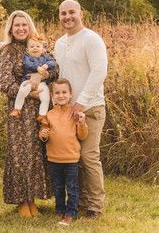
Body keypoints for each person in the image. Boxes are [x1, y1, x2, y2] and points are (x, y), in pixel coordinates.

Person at [0, 10, 58, 217]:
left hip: (41, 109)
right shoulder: (7, 51)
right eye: (17, 25)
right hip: (19, 109)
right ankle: (23, 200)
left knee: (38, 152)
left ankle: (35, 199)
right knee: (20, 153)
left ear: (30, 26)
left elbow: (55, 69)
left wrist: (46, 75)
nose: (21, 28)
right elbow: (3, 81)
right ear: (11, 29)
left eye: (24, 24)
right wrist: (29, 93)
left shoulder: (40, 47)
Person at [54, 0, 107, 219]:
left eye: (71, 12)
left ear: (81, 13)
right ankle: (81, 200)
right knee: (73, 157)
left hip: (91, 108)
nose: (68, 17)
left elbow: (99, 72)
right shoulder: (59, 43)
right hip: (66, 112)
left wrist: (81, 102)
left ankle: (95, 205)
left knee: (88, 156)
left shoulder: (91, 39)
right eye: (63, 13)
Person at [39, 78, 88, 226]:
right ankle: (60, 209)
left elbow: (82, 135)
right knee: (58, 187)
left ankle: (70, 213)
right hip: (54, 159)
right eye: (57, 93)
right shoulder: (49, 114)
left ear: (70, 94)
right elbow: (43, 132)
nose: (61, 95)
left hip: (71, 159)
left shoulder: (74, 113)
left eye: (64, 92)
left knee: (72, 187)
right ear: (52, 96)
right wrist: (43, 135)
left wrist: (81, 122)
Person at [10, 34, 57, 122]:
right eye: (32, 46)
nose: (35, 48)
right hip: (28, 80)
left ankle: (42, 115)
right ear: (27, 50)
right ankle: (17, 109)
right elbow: (27, 64)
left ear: (43, 49)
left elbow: (53, 62)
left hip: (42, 83)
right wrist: (37, 68)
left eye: (38, 46)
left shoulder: (45, 56)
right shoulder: (27, 57)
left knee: (45, 97)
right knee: (22, 90)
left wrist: (46, 65)